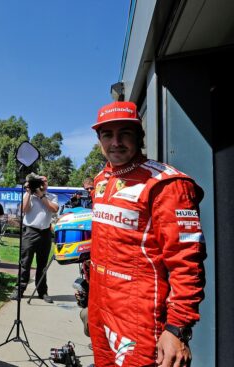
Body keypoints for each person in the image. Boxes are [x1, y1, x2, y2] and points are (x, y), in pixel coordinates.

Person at [87, 100, 206, 367]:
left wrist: (177, 329)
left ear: (139, 136)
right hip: (100, 311)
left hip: (140, 318)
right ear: (99, 140)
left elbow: (187, 263)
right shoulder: (101, 180)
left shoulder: (167, 184)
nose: (115, 142)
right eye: (107, 134)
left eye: (125, 133)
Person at [10, 174, 58, 302]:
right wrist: (29, 191)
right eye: (40, 182)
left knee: (42, 265)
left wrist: (41, 195)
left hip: (45, 233)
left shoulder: (52, 197)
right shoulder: (29, 196)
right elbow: (24, 209)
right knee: (25, 262)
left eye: (45, 181)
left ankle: (42, 292)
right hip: (30, 232)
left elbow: (54, 209)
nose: (42, 184)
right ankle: (19, 290)